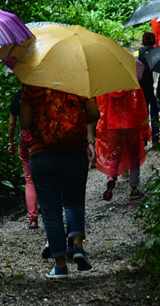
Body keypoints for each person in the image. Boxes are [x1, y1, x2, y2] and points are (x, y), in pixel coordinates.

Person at [20, 86, 100, 279]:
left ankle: (60, 266)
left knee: (50, 210)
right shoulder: (76, 83)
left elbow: (24, 122)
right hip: (74, 151)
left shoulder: (32, 86)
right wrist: (74, 122)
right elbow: (94, 113)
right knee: (74, 201)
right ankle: (77, 246)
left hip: (42, 154)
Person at [96, 88, 151, 200]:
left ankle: (111, 178)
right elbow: (141, 107)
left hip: (113, 123)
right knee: (134, 156)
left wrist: (102, 127)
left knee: (114, 154)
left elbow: (102, 107)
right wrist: (145, 130)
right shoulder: (132, 83)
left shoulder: (109, 85)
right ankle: (134, 187)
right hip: (131, 123)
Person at [8, 86, 39, 228]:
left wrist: (11, 142)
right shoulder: (41, 93)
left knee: (29, 180)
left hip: (23, 142)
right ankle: (47, 210)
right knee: (44, 178)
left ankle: (32, 218)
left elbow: (12, 123)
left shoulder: (17, 96)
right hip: (39, 142)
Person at [136, 32, 160, 144]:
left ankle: (143, 138)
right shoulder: (158, 52)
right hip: (154, 86)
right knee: (155, 113)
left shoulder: (137, 53)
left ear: (143, 41)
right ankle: (155, 139)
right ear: (154, 41)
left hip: (142, 88)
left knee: (142, 113)